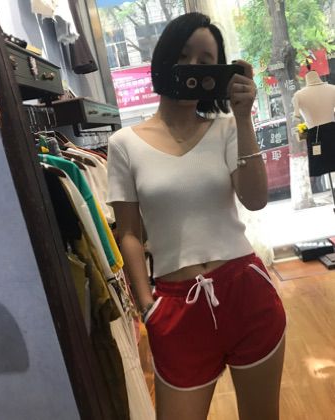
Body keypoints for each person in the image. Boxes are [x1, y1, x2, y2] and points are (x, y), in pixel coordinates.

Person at [107, 12, 286, 420]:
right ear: (164, 58)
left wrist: (244, 117)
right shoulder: (124, 144)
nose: (193, 68)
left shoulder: (226, 129)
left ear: (219, 73)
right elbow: (129, 233)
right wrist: (147, 306)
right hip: (175, 307)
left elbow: (256, 199)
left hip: (246, 294)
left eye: (207, 62)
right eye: (183, 55)